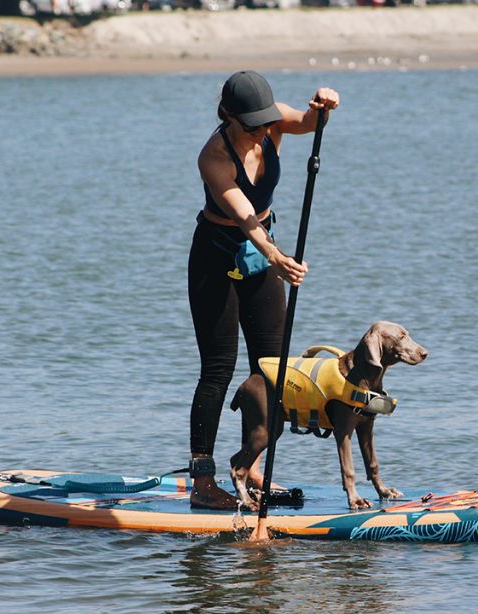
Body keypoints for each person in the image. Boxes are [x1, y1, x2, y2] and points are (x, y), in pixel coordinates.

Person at [186, 70, 340, 509]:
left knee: (270, 367)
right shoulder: (213, 155)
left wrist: (321, 106)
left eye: (264, 120)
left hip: (262, 253)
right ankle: (202, 482)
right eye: (251, 123)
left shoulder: (272, 124)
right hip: (217, 257)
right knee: (218, 368)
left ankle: (250, 468)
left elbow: (310, 125)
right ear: (229, 116)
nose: (260, 129)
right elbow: (242, 214)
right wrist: (274, 254)